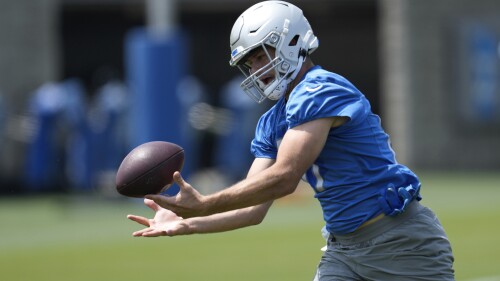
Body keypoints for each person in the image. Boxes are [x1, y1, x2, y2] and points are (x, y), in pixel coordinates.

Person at [127, 1, 455, 280]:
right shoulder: (272, 121)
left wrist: (205, 203)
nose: (255, 67)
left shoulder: (320, 89)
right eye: (249, 62)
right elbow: (253, 209)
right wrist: (190, 221)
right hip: (343, 250)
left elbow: (284, 179)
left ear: (291, 41)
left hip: (399, 243)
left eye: (260, 55)